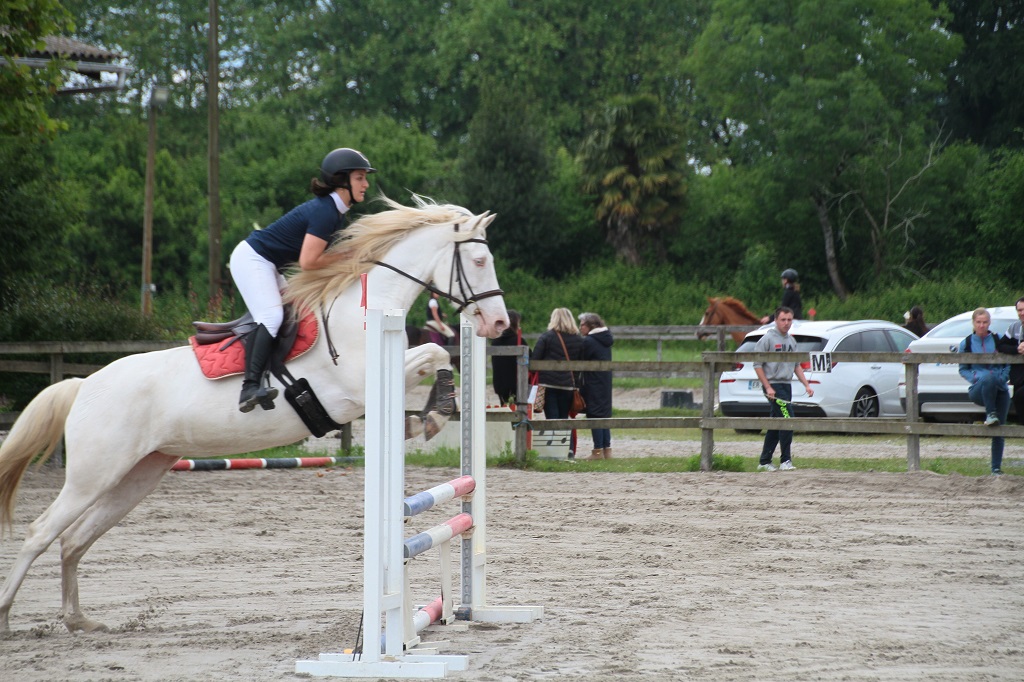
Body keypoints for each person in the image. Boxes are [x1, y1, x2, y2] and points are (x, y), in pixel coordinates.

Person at [229, 147, 375, 412]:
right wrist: (348, 256)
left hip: (269, 264)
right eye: (360, 178)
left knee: (297, 315)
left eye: (365, 178)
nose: (366, 184)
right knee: (271, 317)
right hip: (253, 259)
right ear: (342, 180)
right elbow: (309, 262)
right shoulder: (326, 212)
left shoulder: (336, 213)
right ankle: (249, 386)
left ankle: (269, 374)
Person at [753, 306, 814, 471]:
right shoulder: (767, 339)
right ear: (776, 320)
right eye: (783, 320)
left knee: (776, 423)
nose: (786, 323)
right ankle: (785, 460)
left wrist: (806, 384)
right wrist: (767, 386)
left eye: (789, 320)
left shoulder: (791, 341)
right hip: (773, 386)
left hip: (786, 386)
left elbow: (796, 366)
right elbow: (757, 365)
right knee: (788, 420)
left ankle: (764, 461)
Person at [959, 307, 1011, 474]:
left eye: (985, 322)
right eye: (979, 322)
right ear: (973, 323)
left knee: (999, 428)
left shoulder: (998, 340)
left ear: (989, 323)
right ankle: (990, 413)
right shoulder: (966, 343)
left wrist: (1002, 377)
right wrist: (976, 378)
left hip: (999, 387)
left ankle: (996, 468)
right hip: (978, 388)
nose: (982, 325)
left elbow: (1009, 361)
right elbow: (963, 368)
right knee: (987, 378)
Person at [532, 307, 584, 457]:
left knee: (552, 419)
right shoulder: (578, 340)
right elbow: (581, 364)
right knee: (564, 418)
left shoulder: (547, 337)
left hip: (548, 384)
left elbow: (535, 360)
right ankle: (569, 450)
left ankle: (555, 451)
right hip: (568, 385)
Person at [578, 312, 614, 460]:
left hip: (593, 382)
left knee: (595, 415)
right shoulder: (605, 339)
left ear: (591, 326)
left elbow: (580, 359)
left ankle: (597, 451)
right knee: (604, 415)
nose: (580, 328)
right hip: (604, 381)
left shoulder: (589, 341)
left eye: (582, 325)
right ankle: (607, 450)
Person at [491, 309, 529, 406]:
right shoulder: (519, 341)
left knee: (505, 408)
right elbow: (531, 359)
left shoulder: (495, 341)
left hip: (500, 385)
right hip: (517, 384)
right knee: (520, 412)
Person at [997, 296, 1024, 424]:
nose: (1022, 313)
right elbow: (1001, 345)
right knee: (1018, 397)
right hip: (1018, 377)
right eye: (1019, 310)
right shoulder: (1014, 327)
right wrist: (1017, 349)